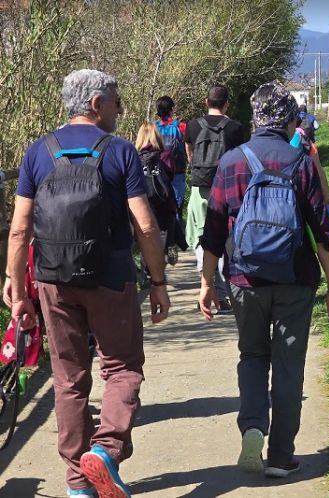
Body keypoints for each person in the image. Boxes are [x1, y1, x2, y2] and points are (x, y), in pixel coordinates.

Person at [6, 69, 170, 498]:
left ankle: (79, 484)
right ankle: (106, 450)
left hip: (52, 281)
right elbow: (146, 226)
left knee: (68, 380)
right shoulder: (120, 152)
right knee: (123, 367)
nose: (120, 109)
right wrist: (157, 281)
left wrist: (18, 292)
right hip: (111, 278)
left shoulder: (38, 152)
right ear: (96, 104)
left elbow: (20, 230)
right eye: (116, 101)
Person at [198, 81, 329, 478]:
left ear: (256, 117)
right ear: (288, 119)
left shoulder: (232, 162)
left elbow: (212, 233)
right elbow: (323, 233)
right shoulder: (301, 162)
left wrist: (207, 283)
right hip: (295, 280)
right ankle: (280, 455)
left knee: (253, 355)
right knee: (288, 364)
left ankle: (252, 428)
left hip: (245, 280)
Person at [185, 84, 244, 312]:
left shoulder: (192, 126)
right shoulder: (235, 128)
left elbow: (189, 154)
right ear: (227, 103)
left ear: (205, 101)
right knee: (228, 240)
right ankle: (228, 293)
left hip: (200, 189)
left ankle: (207, 287)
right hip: (227, 189)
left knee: (202, 239)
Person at [135, 122, 179, 275]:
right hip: (164, 204)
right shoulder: (165, 155)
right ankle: (159, 272)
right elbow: (171, 176)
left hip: (143, 203)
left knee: (145, 236)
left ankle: (147, 272)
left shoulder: (134, 157)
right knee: (163, 238)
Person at [154, 95, 187, 218]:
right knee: (177, 208)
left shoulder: (153, 128)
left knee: (160, 207)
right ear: (172, 109)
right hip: (177, 172)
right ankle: (177, 235)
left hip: (158, 173)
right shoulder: (181, 127)